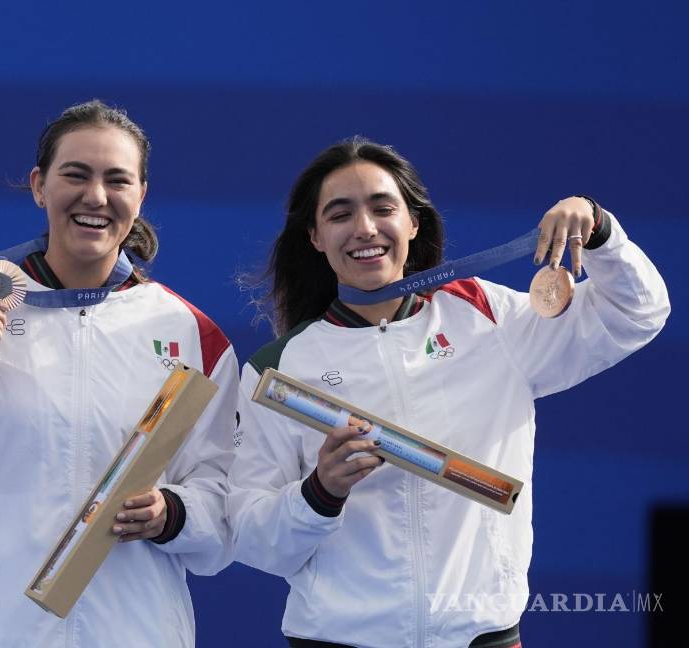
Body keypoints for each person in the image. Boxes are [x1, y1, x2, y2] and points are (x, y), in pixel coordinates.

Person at [227, 137, 669, 648]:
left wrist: (600, 229)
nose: (365, 228)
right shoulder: (277, 370)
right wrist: (320, 492)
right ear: (316, 237)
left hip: (482, 636)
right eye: (340, 214)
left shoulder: (487, 316)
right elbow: (254, 539)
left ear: (414, 223)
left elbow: (636, 314)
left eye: (382, 207)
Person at [0, 100, 238, 647]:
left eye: (117, 180)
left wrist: (173, 512)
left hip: (132, 631)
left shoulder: (190, 335)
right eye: (75, 175)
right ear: (39, 186)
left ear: (141, 195)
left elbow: (224, 507)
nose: (96, 197)